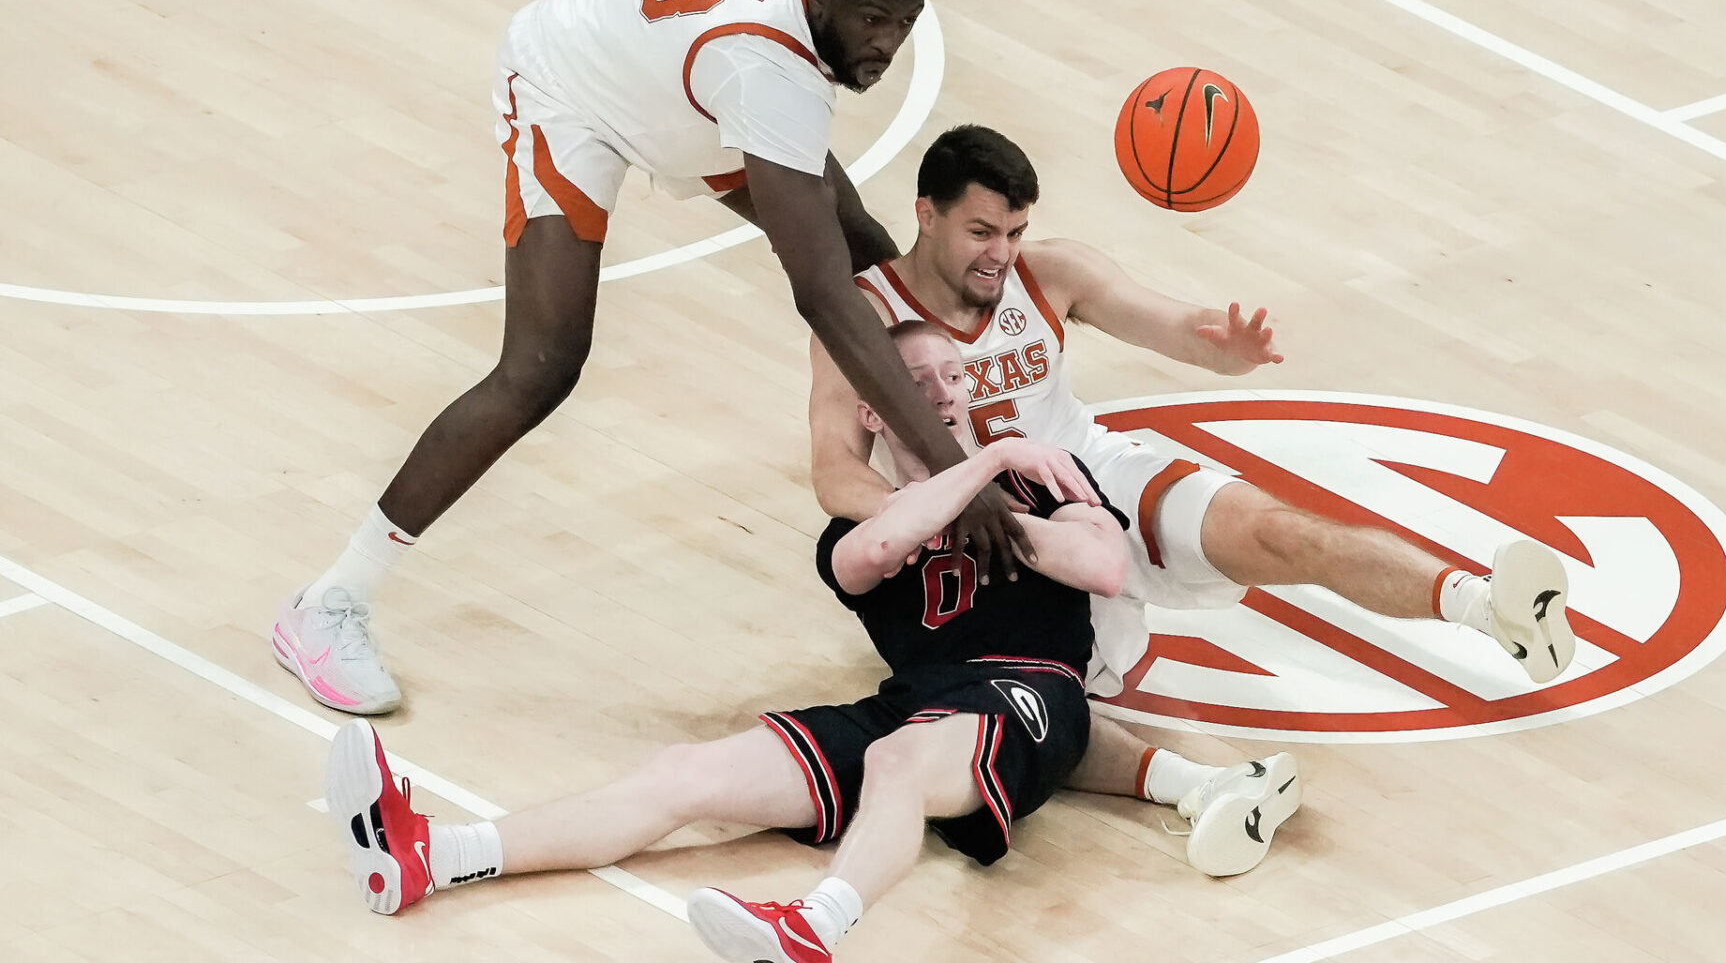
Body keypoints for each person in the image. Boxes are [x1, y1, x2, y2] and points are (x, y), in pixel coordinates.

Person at [324, 323, 1301, 963]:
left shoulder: (1047, 482)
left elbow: (1097, 565)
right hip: (919, 698)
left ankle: (815, 927)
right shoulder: (856, 525)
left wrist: (999, 470)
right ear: (875, 406)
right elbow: (874, 549)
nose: (941, 397)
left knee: (900, 759)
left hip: (1030, 694)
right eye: (914, 383)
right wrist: (984, 462)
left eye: (951, 383)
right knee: (686, 772)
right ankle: (433, 853)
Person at [272, 0, 1050, 716]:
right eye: (872, 17)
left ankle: (958, 465)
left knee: (868, 253)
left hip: (680, 84)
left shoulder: (805, 10)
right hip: (574, 85)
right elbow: (817, 294)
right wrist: (955, 478)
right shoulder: (765, 70)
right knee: (544, 361)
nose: (886, 42)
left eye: (906, 21)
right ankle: (333, 600)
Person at [807, 125, 1579, 717]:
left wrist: (1228, 349)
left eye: (1014, 233)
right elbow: (835, 470)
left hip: (1089, 473)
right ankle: (1187, 783)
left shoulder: (1052, 271)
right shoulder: (862, 321)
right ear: (925, 215)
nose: (1001, 254)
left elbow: (1176, 327)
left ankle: (1484, 604)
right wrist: (943, 505)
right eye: (982, 233)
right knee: (1061, 707)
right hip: (992, 539)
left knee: (1278, 529)